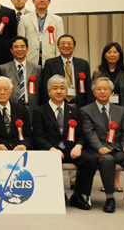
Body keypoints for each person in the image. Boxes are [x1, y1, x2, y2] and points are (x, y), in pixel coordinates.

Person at [81, 77, 124, 214]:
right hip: (97, 150)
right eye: (98, 89)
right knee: (107, 160)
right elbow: (89, 134)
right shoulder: (86, 110)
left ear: (111, 92)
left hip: (118, 149)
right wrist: (99, 147)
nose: (102, 92)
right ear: (94, 92)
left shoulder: (121, 110)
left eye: (105, 89)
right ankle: (110, 197)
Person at [32, 75, 96, 210]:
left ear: (66, 91)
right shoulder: (39, 111)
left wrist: (78, 146)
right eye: (55, 88)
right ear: (49, 91)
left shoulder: (74, 111)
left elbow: (82, 135)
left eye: (62, 88)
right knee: (45, 161)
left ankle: (78, 195)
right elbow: (37, 136)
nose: (59, 91)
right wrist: (51, 149)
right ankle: (53, 195)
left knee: (90, 160)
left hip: (71, 150)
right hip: (50, 150)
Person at [92, 42, 124, 193]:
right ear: (104, 54)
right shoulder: (98, 71)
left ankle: (116, 181)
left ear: (120, 55)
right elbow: (94, 92)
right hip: (102, 111)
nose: (112, 55)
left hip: (120, 113)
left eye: (115, 52)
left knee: (118, 144)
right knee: (105, 144)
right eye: (109, 52)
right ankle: (107, 181)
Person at [0, 76, 33, 150]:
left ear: (11, 91)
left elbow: (28, 135)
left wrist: (24, 145)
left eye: (5, 89)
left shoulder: (22, 110)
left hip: (17, 152)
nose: (2, 92)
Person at [41, 34, 93, 107]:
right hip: (58, 104)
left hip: (79, 105)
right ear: (58, 46)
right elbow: (45, 87)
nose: (66, 46)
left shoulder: (83, 64)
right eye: (63, 43)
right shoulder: (50, 64)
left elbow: (88, 88)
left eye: (69, 44)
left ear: (74, 46)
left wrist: (88, 107)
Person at [18, 0, 64, 66]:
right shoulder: (24, 19)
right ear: (33, 1)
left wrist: (58, 61)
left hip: (50, 60)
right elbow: (20, 41)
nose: (41, 0)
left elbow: (60, 43)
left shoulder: (57, 20)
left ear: (49, 1)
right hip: (30, 60)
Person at [0, 36, 41, 117]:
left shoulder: (37, 68)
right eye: (16, 47)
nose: (19, 49)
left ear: (27, 49)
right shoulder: (3, 68)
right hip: (11, 109)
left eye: (22, 46)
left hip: (32, 109)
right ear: (11, 50)